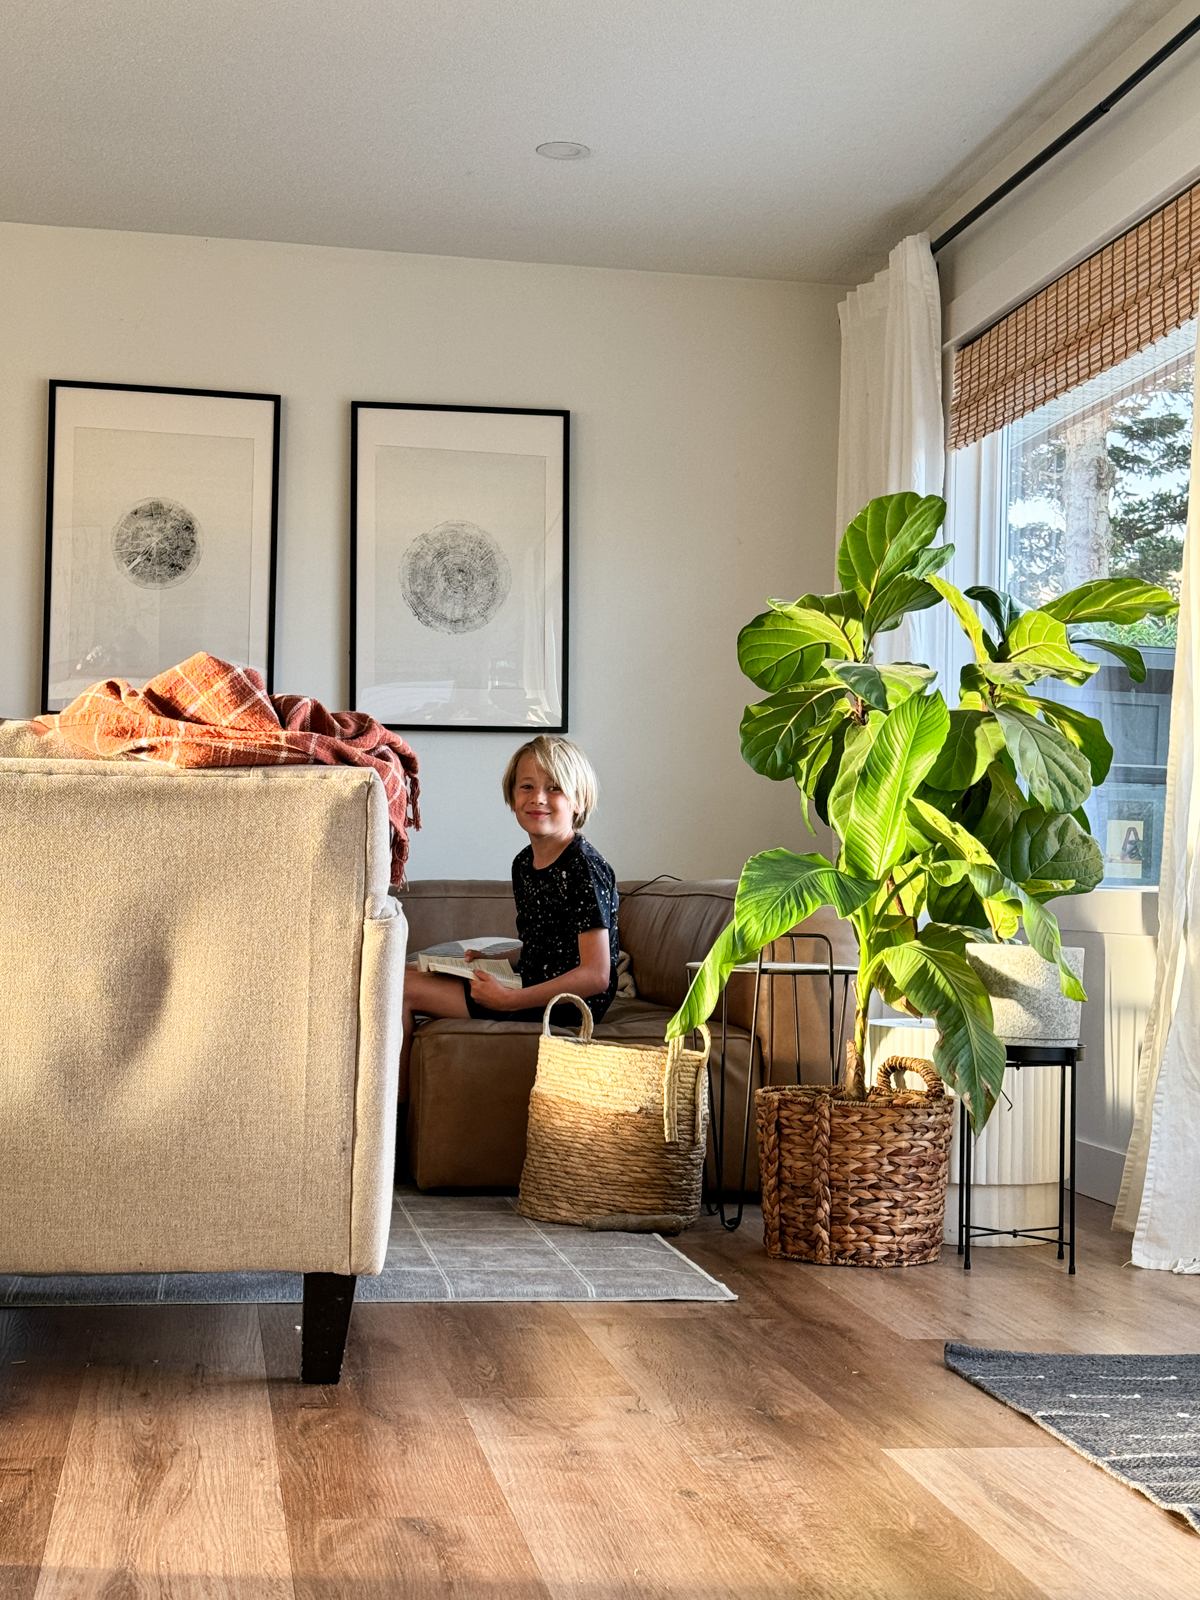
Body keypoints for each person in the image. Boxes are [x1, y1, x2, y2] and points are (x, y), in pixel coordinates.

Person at [399, 736, 618, 1089]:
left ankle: (393, 1121)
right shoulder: (524, 864)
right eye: (526, 786)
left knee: (401, 988)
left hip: (567, 1003)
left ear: (578, 801)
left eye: (555, 788)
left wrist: (508, 1001)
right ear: (512, 796)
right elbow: (549, 945)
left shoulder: (584, 868)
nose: (538, 798)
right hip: (534, 983)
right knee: (405, 970)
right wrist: (493, 959)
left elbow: (596, 975)